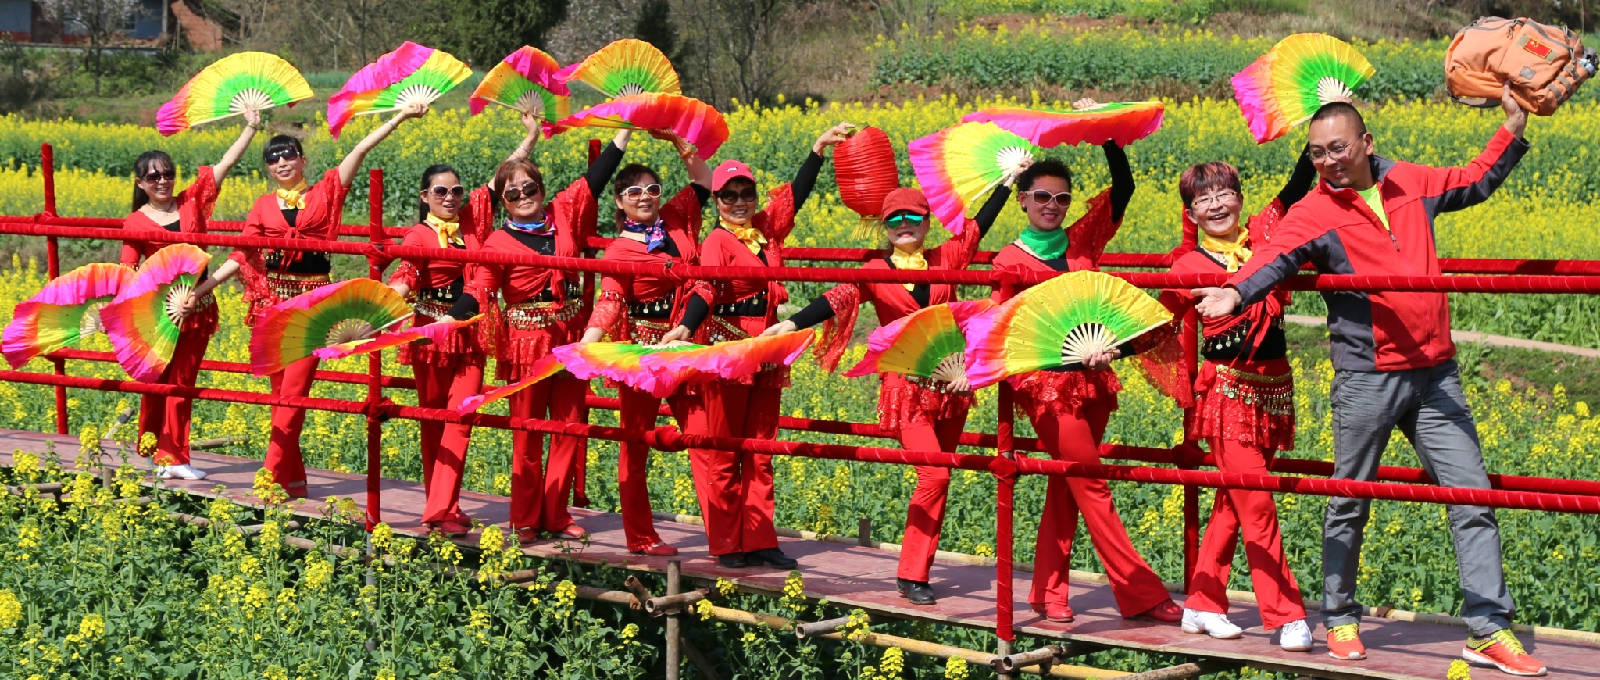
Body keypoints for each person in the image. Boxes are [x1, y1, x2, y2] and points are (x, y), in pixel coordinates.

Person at [1189, 86, 1544, 675]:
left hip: (1435, 373)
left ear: (1365, 144)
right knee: (1350, 498)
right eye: (1316, 152)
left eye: (1337, 148)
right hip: (1366, 376)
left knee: (1473, 497)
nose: (1327, 160)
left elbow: (1475, 179)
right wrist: (1234, 291)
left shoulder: (1411, 182)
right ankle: (1341, 617)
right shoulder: (1314, 212)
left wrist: (1512, 126)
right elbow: (1271, 259)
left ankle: (1488, 629)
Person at [990, 115, 1182, 624]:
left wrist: (1106, 132)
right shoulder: (1009, 261)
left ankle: (1047, 593)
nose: (1052, 206)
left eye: (1061, 199)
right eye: (1042, 197)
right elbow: (1006, 331)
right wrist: (1062, 357)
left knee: (1068, 484)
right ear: (1023, 199)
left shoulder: (1081, 242)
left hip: (1094, 376)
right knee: (1091, 481)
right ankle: (1141, 592)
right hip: (1046, 387)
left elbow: (1124, 187)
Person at [189, 101, 426, 498]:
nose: (282, 163)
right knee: (280, 397)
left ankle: (266, 480)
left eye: (289, 155)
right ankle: (294, 482)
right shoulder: (263, 206)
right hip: (271, 307)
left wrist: (399, 117)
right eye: (273, 159)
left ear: (302, 160)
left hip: (313, 308)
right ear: (268, 168)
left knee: (294, 396)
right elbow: (242, 254)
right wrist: (202, 288)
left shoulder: (326, 192)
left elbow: (359, 151)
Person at [661, 121, 852, 570]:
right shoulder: (717, 241)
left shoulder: (765, 233)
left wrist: (816, 150)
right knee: (725, 450)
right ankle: (729, 543)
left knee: (761, 449)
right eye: (729, 196)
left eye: (747, 194)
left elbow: (794, 201)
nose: (740, 203)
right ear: (718, 202)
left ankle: (762, 538)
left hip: (765, 353)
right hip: (728, 355)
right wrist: (687, 329)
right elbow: (706, 290)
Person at [442, 118, 633, 544]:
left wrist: (624, 131)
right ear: (504, 201)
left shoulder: (563, 216)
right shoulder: (497, 243)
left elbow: (594, 180)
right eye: (514, 193)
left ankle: (557, 514)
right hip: (526, 343)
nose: (524, 197)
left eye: (531, 189)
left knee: (568, 427)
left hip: (570, 337)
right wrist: (450, 317)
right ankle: (525, 518)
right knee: (527, 434)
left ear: (542, 191)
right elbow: (479, 290)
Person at [1159, 151, 1315, 651]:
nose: (1216, 204)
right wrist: (1105, 345)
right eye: (1203, 199)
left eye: (1224, 193)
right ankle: (1285, 615)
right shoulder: (1187, 265)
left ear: (1240, 199)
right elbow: (1153, 321)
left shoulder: (1267, 239)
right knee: (1258, 505)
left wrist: (1320, 118)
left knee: (1233, 502)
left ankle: (1201, 604)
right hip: (1227, 395)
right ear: (1191, 214)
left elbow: (1295, 189)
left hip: (1273, 392)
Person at [576, 133, 712, 557]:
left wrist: (678, 139)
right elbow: (611, 300)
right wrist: (588, 343)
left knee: (705, 440)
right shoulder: (619, 248)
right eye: (633, 191)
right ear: (618, 202)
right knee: (635, 445)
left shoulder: (675, 220)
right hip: (645, 353)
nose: (645, 196)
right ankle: (640, 535)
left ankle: (725, 539)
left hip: (687, 343)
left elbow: (705, 183)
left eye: (652, 189)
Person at [118, 108, 263, 481]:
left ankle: (174, 456)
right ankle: (151, 449)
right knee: (153, 381)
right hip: (158, 313)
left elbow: (224, 165)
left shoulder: (191, 202)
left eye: (168, 174)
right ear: (141, 183)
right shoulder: (135, 222)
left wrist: (250, 126)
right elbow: (128, 269)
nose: (163, 181)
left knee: (182, 381)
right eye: (154, 177)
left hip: (196, 306)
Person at [385, 157, 492, 536]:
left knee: (459, 419)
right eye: (441, 191)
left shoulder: (473, 229)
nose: (450, 197)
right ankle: (444, 504)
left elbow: (498, 183)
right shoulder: (418, 236)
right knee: (432, 423)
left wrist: (529, 137)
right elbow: (406, 275)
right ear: (425, 196)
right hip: (431, 338)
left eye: (456, 191)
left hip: (468, 336)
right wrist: (380, 304)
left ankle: (439, 509)